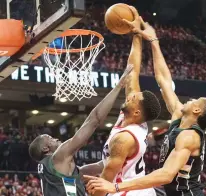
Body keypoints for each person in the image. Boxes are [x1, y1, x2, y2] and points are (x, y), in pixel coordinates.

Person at [84, 18, 206, 196]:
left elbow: (166, 175)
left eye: (198, 100)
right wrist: (153, 40)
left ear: (197, 111)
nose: (193, 98)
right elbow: (163, 79)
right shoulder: (178, 117)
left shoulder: (190, 137)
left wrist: (116, 187)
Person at [80, 6, 161, 196]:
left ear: (137, 112)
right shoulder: (134, 122)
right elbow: (132, 70)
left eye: (135, 98)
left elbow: (104, 183)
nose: (131, 94)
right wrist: (136, 33)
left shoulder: (123, 139)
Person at [28, 64, 133, 196]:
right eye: (50, 138)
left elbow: (86, 170)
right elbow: (93, 120)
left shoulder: (53, 169)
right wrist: (118, 86)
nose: (56, 139)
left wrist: (119, 156)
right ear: (45, 149)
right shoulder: (59, 156)